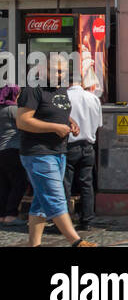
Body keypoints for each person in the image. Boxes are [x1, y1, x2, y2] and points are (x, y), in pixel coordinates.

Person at [15, 57, 95, 247]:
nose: (60, 75)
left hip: (59, 151)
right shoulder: (32, 89)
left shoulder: (60, 89)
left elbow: (58, 111)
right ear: (41, 69)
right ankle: (76, 241)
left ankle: (33, 244)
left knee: (41, 201)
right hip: (38, 153)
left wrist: (70, 122)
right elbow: (23, 121)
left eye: (63, 71)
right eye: (55, 71)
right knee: (55, 197)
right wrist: (54, 127)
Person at [64, 82, 101, 231]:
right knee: (86, 184)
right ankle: (88, 220)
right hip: (88, 146)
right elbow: (98, 124)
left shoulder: (64, 97)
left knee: (65, 184)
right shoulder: (93, 98)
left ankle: (64, 222)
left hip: (69, 145)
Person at [0, 85, 29, 225]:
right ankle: (11, 214)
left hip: (1, 151)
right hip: (13, 150)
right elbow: (26, 125)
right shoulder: (13, 109)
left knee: (4, 184)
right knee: (19, 183)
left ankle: (2, 215)